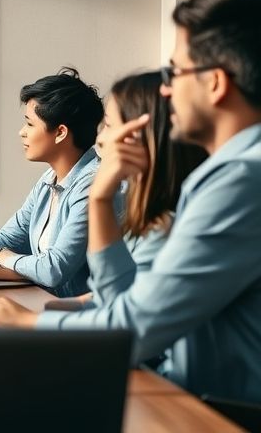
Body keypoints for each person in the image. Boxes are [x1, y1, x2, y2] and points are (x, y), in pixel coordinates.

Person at [0, 0, 261, 402]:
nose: (165, 89)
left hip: (213, 412)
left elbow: (134, 330)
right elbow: (123, 303)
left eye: (175, 72)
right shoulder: (226, 174)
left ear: (215, 83)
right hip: (179, 394)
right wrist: (102, 200)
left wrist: (27, 322)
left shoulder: (240, 179)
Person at [48, 71, 206, 311]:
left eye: (109, 126)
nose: (100, 140)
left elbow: (121, 317)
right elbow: (108, 297)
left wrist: (99, 198)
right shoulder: (141, 217)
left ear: (138, 136)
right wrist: (44, 311)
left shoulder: (167, 230)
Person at [0, 68, 105, 298]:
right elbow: (11, 236)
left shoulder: (93, 185)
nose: (22, 132)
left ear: (60, 132)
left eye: (30, 124)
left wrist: (4, 259)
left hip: (81, 318)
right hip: (46, 301)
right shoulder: (49, 179)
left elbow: (54, 269)